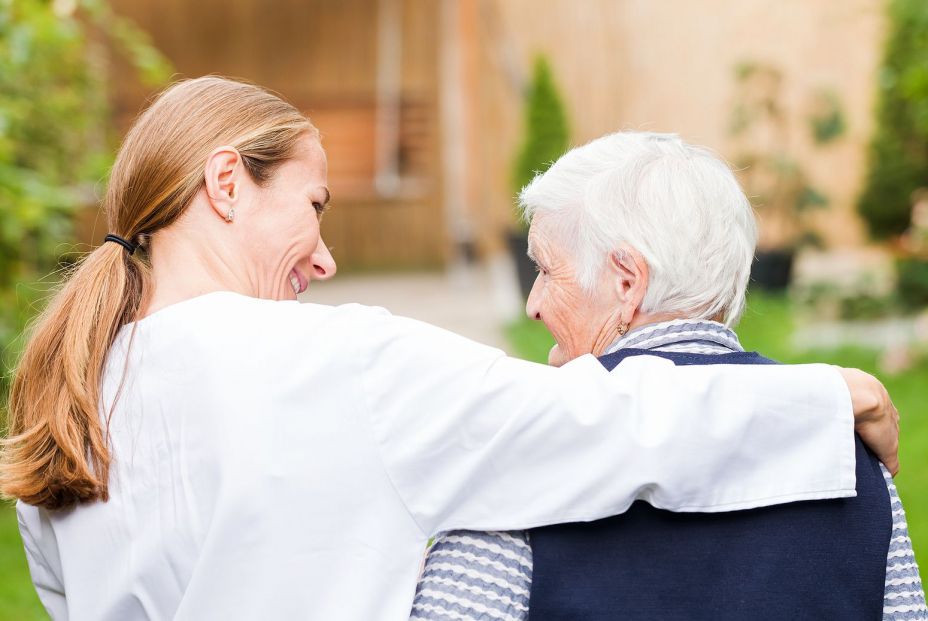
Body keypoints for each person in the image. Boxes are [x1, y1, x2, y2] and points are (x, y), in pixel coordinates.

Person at [0, 78, 899, 621]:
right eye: (314, 207)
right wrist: (835, 395)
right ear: (227, 182)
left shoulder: (64, 410)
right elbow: (606, 418)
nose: (326, 255)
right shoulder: (336, 363)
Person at [411, 132, 926, 621]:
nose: (533, 304)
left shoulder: (525, 448)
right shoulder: (845, 447)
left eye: (546, 270)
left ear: (627, 281)